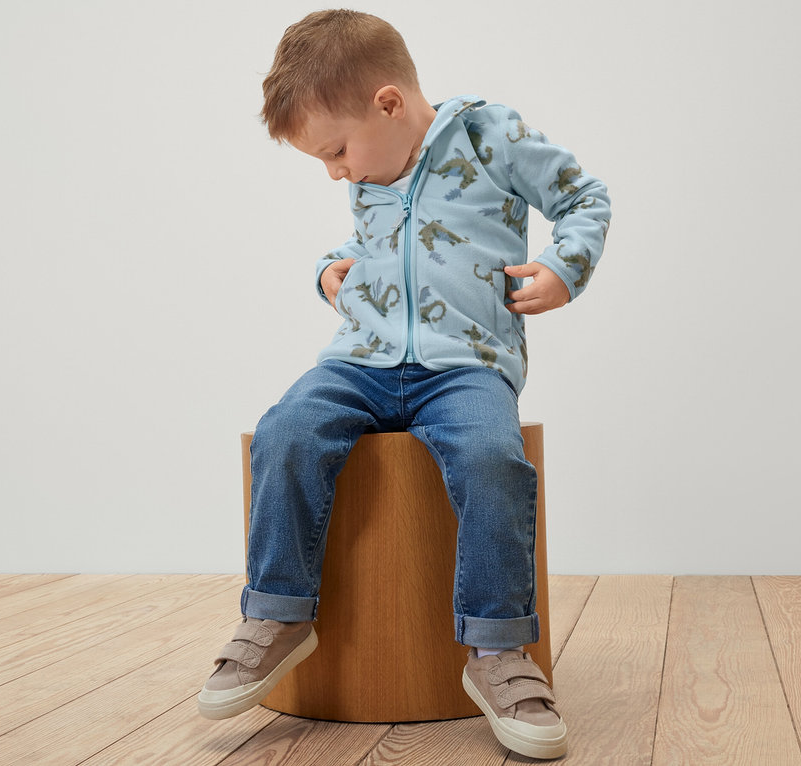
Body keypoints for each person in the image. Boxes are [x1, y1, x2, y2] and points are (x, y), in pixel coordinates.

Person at [197, 9, 610, 760]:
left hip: (466, 366)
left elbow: (585, 197)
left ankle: (497, 651)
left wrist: (563, 270)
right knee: (285, 430)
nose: (335, 172)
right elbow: (377, 242)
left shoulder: (490, 134)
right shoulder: (372, 168)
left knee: (494, 459)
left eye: (336, 151)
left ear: (388, 104)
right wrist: (328, 268)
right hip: (360, 358)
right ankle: (279, 613)